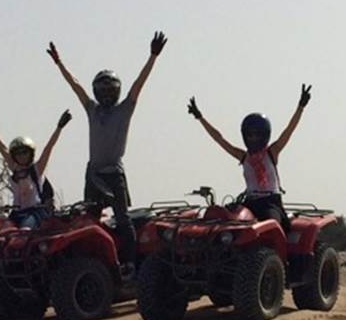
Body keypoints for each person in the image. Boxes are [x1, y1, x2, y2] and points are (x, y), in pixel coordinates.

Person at [47, 31, 168, 269]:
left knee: (123, 219)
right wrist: (59, 63)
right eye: (102, 90)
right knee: (88, 220)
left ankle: (131, 265)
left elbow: (138, 85)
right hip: (93, 173)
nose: (105, 94)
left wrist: (152, 57)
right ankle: (96, 262)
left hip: (114, 174)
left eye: (109, 90)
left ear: (116, 92)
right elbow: (76, 86)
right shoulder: (92, 110)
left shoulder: (125, 109)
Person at [186, 85, 313, 226]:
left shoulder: (272, 152)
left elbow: (289, 129)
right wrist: (200, 117)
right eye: (250, 134)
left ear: (265, 135)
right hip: (250, 202)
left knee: (271, 225)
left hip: (270, 203)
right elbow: (219, 139)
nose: (253, 138)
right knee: (225, 220)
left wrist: (301, 106)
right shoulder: (243, 156)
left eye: (257, 134)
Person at [0, 111, 71, 227]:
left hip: (35, 213)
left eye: (24, 152)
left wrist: (59, 128)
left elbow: (49, 147)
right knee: (0, 230)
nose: (21, 156)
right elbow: (3, 150)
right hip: (16, 213)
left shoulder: (37, 169)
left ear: (31, 153)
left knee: (26, 228)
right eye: (18, 153)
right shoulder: (15, 168)